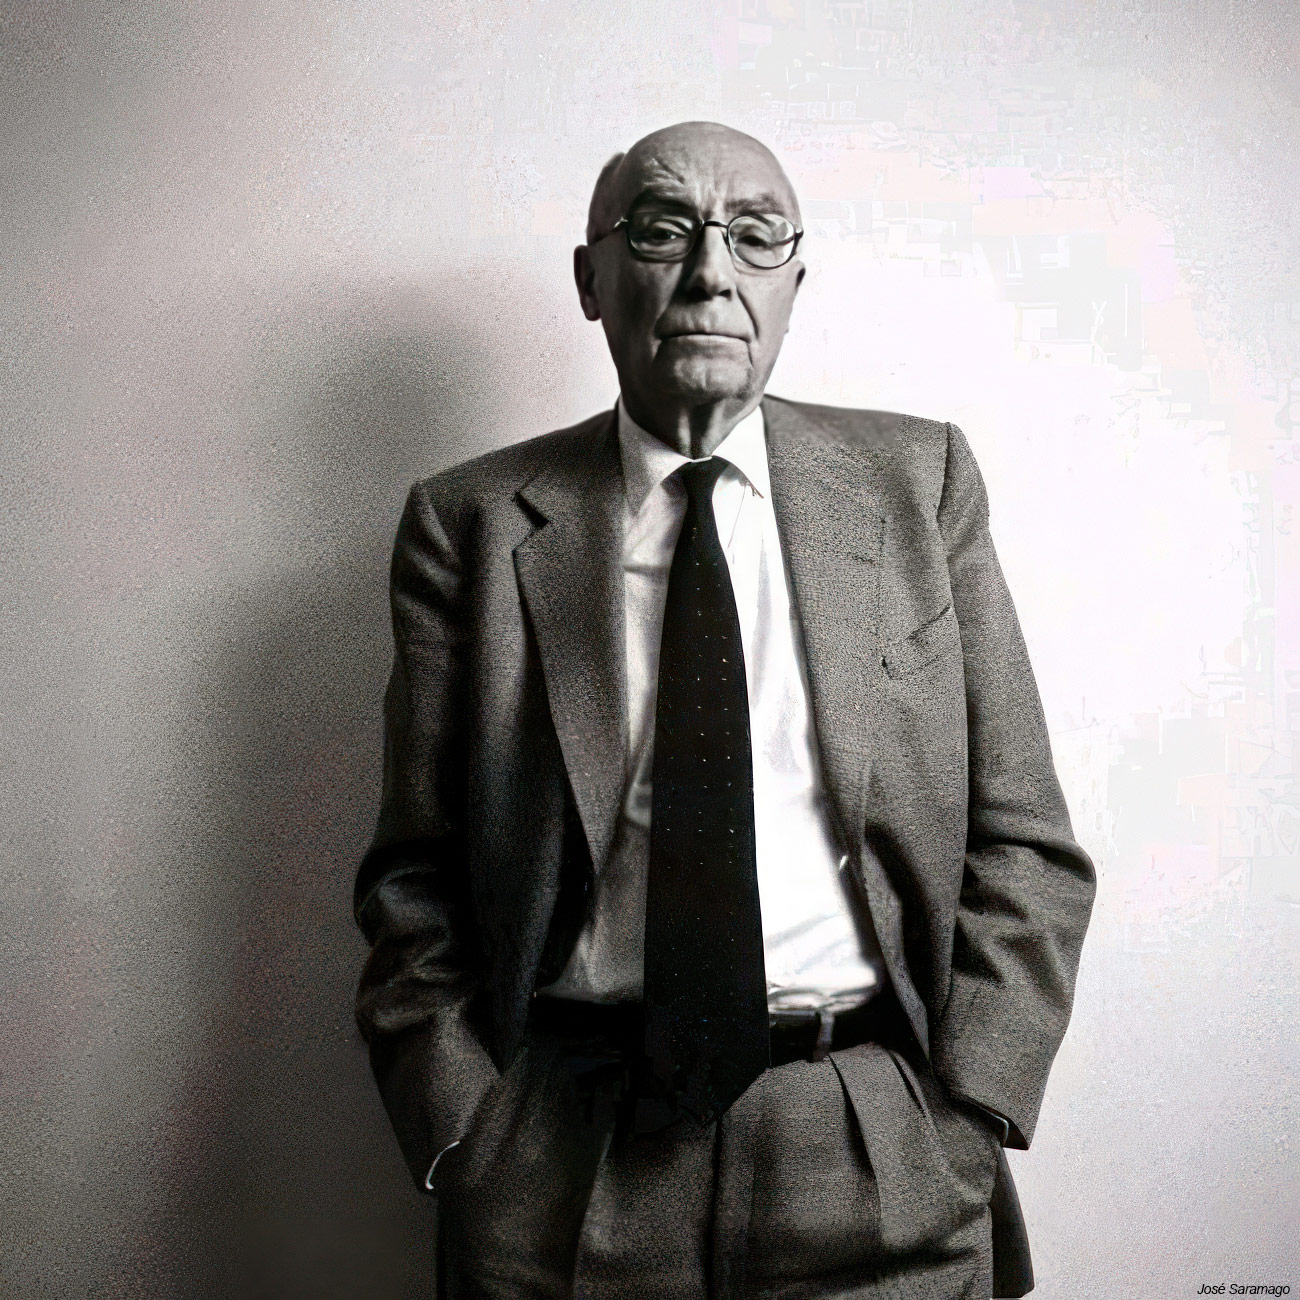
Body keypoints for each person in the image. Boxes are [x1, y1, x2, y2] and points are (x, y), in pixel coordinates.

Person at [352, 120, 1096, 1300]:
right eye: (662, 230)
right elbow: (415, 869)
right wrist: (464, 1132)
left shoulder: (918, 485)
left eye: (755, 236)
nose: (711, 272)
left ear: (795, 283)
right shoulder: (472, 521)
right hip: (563, 1162)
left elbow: (1022, 836)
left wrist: (970, 1109)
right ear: (591, 279)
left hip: (874, 1143)